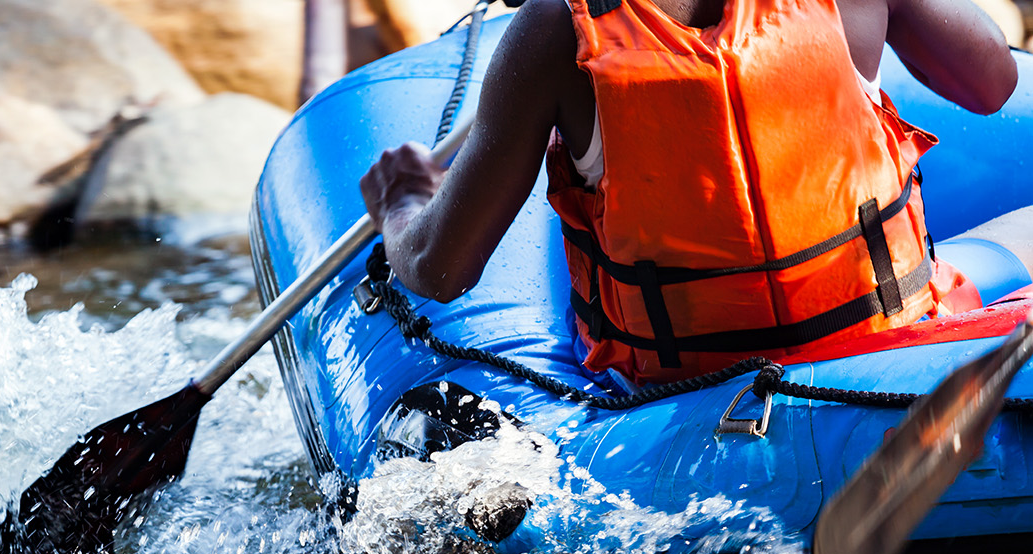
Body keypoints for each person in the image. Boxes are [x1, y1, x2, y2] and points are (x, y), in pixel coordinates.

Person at [359, 0, 1030, 384]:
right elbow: (992, 80)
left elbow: (439, 267)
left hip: (677, 396)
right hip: (895, 345)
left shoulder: (553, 34)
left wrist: (403, 199)